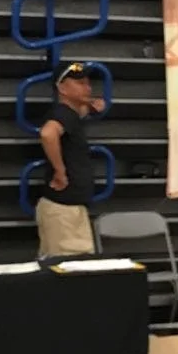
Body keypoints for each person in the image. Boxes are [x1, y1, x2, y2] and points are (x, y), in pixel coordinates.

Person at [35, 61, 106, 257]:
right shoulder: (62, 114)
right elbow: (48, 134)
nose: (87, 87)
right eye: (80, 83)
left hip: (69, 207)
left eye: (88, 83)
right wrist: (60, 172)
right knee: (69, 271)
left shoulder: (71, 115)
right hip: (63, 209)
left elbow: (77, 115)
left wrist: (89, 106)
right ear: (62, 88)